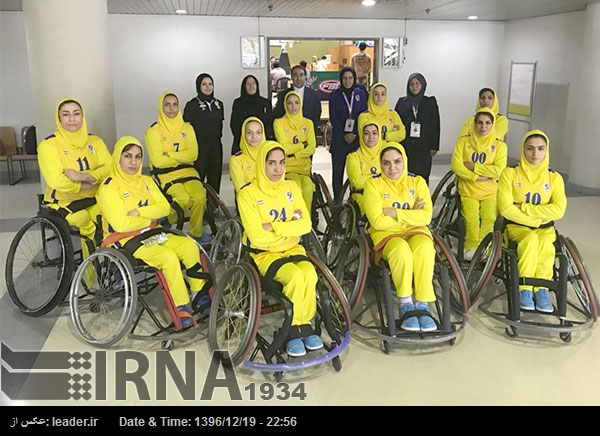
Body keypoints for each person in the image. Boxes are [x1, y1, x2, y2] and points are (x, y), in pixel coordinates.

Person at [97, 136, 209, 329]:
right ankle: (181, 307)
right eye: (128, 156)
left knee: (189, 245)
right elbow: (122, 224)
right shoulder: (108, 188)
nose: (133, 162)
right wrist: (151, 216)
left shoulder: (147, 181)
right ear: (118, 158)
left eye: (138, 157)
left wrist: (140, 212)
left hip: (151, 233)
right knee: (167, 257)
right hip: (124, 240)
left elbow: (165, 208)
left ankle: (199, 295)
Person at [237, 141, 323, 357]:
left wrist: (273, 227)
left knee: (310, 274)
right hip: (264, 256)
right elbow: (256, 237)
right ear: (261, 164)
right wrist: (288, 230)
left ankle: (303, 324)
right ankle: (294, 329)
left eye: (282, 163)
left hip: (293, 249)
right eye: (272, 163)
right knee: (295, 275)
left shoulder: (292, 187)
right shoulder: (247, 194)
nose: (278, 169)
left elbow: (305, 225)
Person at [362, 142, 437, 332]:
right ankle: (405, 303)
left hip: (417, 232)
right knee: (401, 251)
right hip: (386, 235)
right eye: (386, 163)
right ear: (380, 164)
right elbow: (377, 222)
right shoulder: (373, 184)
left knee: (425, 249)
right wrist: (411, 215)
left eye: (397, 161)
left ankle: (422, 303)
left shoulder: (417, 182)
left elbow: (426, 217)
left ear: (405, 161)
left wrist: (394, 213)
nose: (392, 168)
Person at [497, 130, 567, 312]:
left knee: (546, 245)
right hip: (516, 227)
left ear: (546, 151)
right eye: (530, 149)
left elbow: (559, 210)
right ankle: (525, 288)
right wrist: (537, 219)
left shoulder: (554, 178)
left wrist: (525, 207)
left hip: (546, 229)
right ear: (523, 150)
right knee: (530, 240)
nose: (535, 154)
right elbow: (505, 208)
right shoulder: (510, 174)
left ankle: (542, 287)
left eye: (540, 149)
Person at [37, 98, 112, 258]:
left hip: (95, 198)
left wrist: (82, 176)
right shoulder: (48, 145)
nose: (72, 119)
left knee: (111, 217)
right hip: (64, 202)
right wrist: (89, 183)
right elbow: (57, 181)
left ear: (82, 116)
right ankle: (93, 271)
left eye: (76, 114)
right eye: (66, 114)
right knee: (86, 222)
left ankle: (111, 265)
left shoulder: (95, 141)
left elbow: (110, 169)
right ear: (59, 118)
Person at [144, 91, 210, 245]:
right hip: (166, 175)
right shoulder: (153, 131)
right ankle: (170, 218)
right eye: (167, 105)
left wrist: (171, 155)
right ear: (161, 107)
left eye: (175, 104)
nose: (172, 108)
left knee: (200, 198)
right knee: (183, 199)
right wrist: (181, 155)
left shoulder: (187, 128)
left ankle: (195, 233)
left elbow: (193, 154)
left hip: (188, 172)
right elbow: (158, 162)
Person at [451, 107, 508, 261]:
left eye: (488, 123)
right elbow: (456, 166)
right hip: (468, 190)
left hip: (490, 191)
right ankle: (471, 247)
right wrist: (475, 177)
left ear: (492, 125)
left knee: (489, 218)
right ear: (474, 124)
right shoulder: (463, 142)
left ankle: (485, 248)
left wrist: (473, 166)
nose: (483, 126)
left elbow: (499, 170)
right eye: (480, 123)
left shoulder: (500, 146)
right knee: (471, 219)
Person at [328, 66, 368, 203]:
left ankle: (355, 198)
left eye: (350, 78)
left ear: (354, 79)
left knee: (355, 171)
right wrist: (345, 134)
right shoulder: (334, 95)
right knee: (337, 171)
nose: (347, 81)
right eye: (344, 78)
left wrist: (355, 133)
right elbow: (333, 118)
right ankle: (337, 198)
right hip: (339, 139)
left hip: (356, 140)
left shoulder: (361, 94)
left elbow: (364, 116)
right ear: (340, 79)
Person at [273, 91, 317, 213]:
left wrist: (294, 154)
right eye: (290, 103)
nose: (293, 107)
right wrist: (302, 145)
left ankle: (306, 222)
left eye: (296, 103)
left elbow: (312, 148)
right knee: (296, 187)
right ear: (285, 105)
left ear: (301, 104)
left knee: (308, 188)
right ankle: (295, 219)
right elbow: (283, 148)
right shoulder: (279, 123)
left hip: (304, 169)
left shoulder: (308, 123)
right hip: (288, 169)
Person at [394, 72, 441, 185]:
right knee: (406, 177)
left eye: (417, 83)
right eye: (411, 84)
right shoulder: (402, 102)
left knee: (422, 178)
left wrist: (434, 146)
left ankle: (423, 201)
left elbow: (435, 125)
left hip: (424, 148)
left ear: (423, 85)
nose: (414, 86)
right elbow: (396, 122)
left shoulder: (430, 102)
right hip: (406, 147)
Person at [183, 73, 225, 196]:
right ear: (198, 86)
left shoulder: (219, 104)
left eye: (210, 84)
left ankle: (213, 208)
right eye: (204, 84)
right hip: (199, 148)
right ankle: (198, 207)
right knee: (197, 179)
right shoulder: (192, 105)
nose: (208, 87)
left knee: (215, 179)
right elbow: (186, 129)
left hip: (216, 147)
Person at [230, 74, 274, 155]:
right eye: (248, 84)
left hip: (262, 144)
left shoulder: (265, 103)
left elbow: (269, 123)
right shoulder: (238, 103)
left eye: (253, 83)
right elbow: (234, 125)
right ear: (244, 87)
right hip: (242, 144)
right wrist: (247, 139)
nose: (251, 86)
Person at [346, 120, 383, 213]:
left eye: (374, 133)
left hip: (385, 193)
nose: (371, 137)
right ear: (361, 136)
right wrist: (382, 177)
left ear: (379, 135)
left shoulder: (386, 154)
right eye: (366, 133)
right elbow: (357, 183)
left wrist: (368, 178)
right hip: (362, 194)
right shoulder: (353, 157)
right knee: (377, 208)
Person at [274, 64, 322, 136]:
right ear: (291, 77)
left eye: (301, 75)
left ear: (305, 77)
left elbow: (317, 114)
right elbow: (279, 113)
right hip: (288, 134)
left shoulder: (314, 95)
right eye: (295, 75)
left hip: (308, 133)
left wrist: (310, 130)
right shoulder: (282, 95)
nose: (298, 78)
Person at [229, 117, 266, 194]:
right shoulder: (236, 160)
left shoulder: (269, 155)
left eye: (258, 132)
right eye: (249, 132)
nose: (254, 137)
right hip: (248, 201)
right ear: (243, 134)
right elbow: (241, 190)